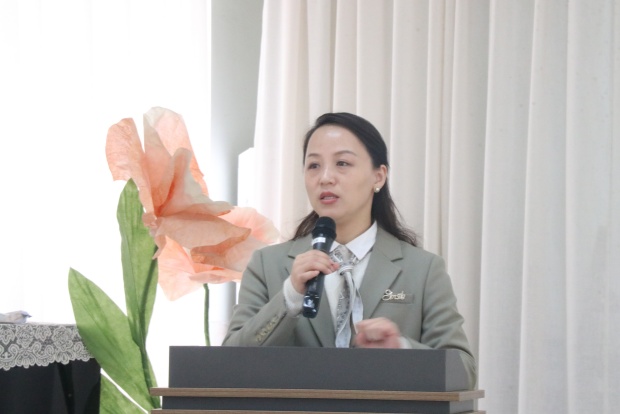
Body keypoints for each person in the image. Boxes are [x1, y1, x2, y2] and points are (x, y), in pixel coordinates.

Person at [222, 112, 477, 389]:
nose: (325, 178)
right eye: (314, 165)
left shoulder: (423, 270)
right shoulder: (267, 264)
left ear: (378, 176)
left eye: (342, 163)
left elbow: (464, 373)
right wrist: (290, 297)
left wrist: (402, 350)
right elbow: (229, 364)